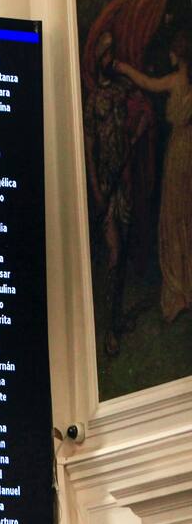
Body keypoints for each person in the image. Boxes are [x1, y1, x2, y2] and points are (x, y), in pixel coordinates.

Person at [115, 30, 192, 323]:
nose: (169, 56)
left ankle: (179, 289)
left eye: (173, 52)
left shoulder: (176, 80)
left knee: (176, 216)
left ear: (179, 55)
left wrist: (124, 69)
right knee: (185, 214)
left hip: (180, 152)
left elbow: (148, 83)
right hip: (189, 148)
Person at [84, 32, 149, 356]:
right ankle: (108, 329)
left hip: (123, 179)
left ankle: (117, 318)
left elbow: (146, 111)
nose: (109, 59)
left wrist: (134, 139)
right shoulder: (93, 99)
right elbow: (90, 144)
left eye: (112, 53)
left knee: (121, 254)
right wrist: (95, 186)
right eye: (105, 54)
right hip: (106, 183)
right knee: (111, 253)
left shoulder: (124, 90)